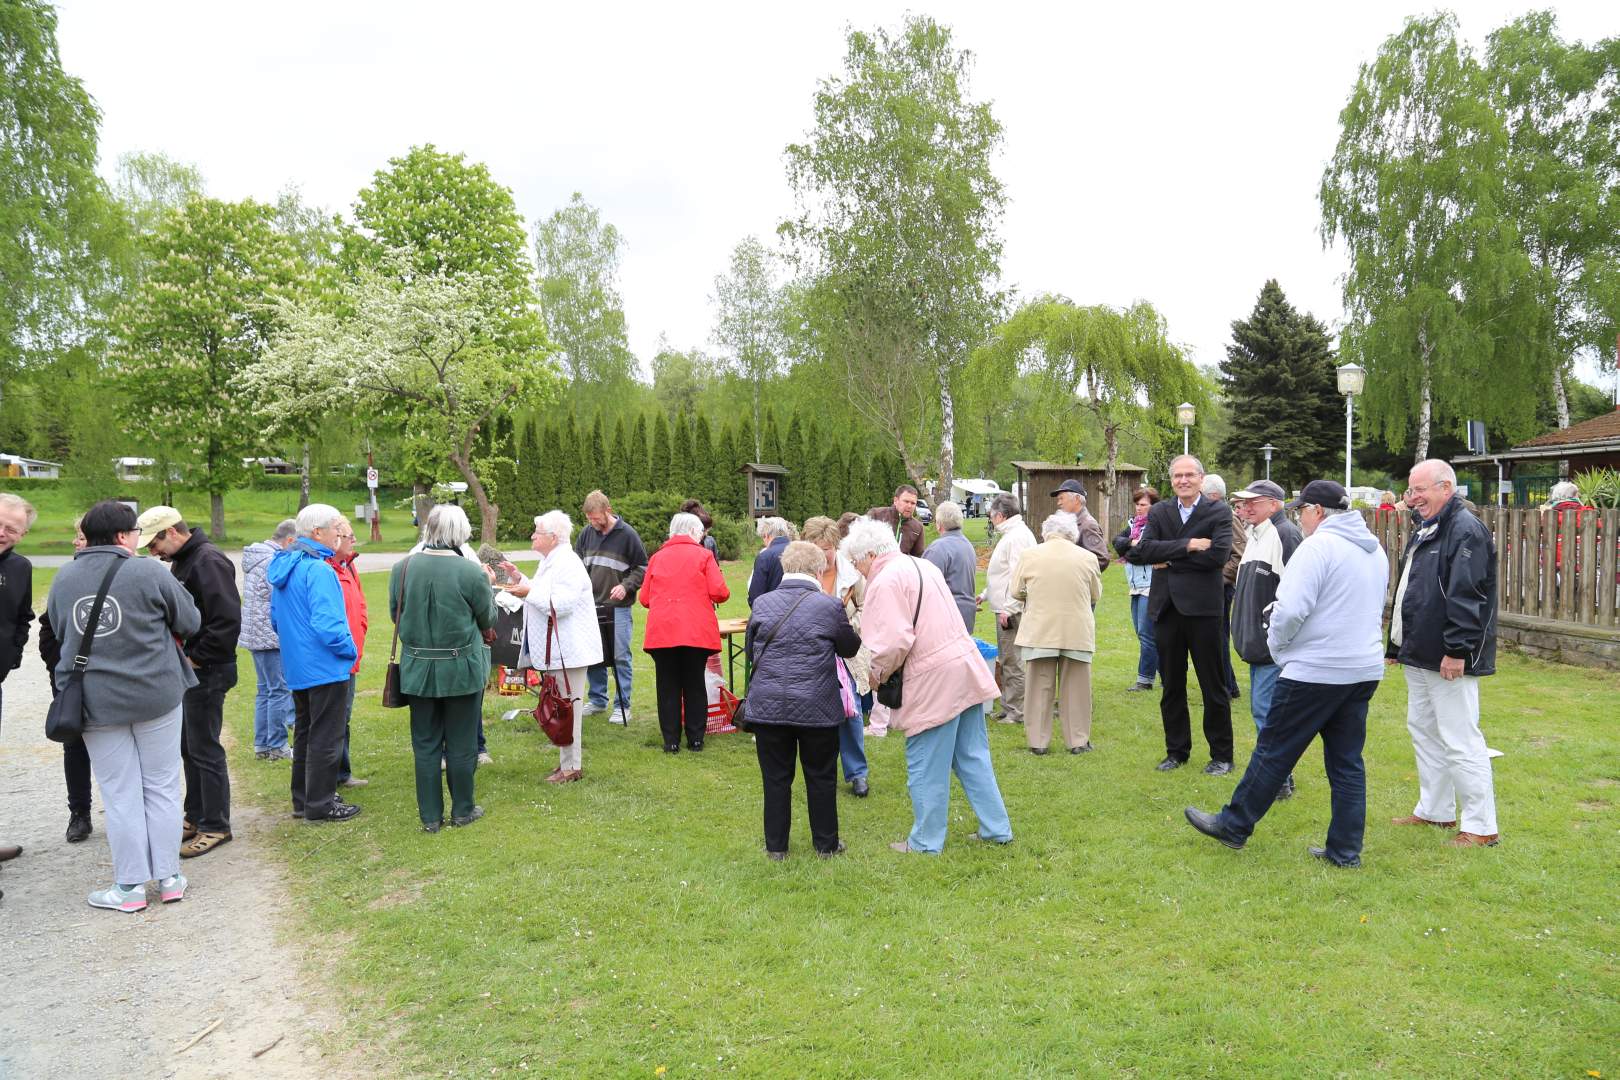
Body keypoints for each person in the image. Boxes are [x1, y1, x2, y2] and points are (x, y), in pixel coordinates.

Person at [1183, 480, 1388, 867]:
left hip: (1317, 669)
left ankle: (1234, 824)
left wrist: (1278, 648)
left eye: (1303, 510)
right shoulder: (1374, 549)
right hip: (1361, 668)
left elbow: (1290, 609)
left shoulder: (1317, 547)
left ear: (1319, 512)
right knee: (1347, 762)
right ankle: (1345, 851)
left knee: (1274, 750)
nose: (1300, 517)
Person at [47, 500, 201, 912]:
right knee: (163, 784)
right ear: (121, 537)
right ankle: (169, 877)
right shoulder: (148, 571)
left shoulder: (64, 578)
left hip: (96, 702)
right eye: (134, 532)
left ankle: (130, 886)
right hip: (157, 694)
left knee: (120, 791)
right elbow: (189, 620)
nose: (138, 539)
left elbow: (62, 631)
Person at [846, 517, 1012, 854]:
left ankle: (925, 841)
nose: (857, 570)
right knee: (972, 755)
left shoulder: (884, 580)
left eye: (855, 561)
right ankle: (996, 828)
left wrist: (872, 676)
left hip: (933, 677)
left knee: (925, 762)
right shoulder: (922, 566)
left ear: (868, 555)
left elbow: (893, 642)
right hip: (963, 667)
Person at [1388, 458, 1501, 848]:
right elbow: (1410, 589)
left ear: (1445, 488)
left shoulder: (1464, 529)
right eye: (1410, 489)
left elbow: (1467, 596)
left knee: (1460, 737)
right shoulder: (1426, 527)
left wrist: (1456, 650)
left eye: (1420, 489)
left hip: (1448, 656)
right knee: (1423, 731)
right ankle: (1435, 810)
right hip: (1418, 652)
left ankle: (1481, 825)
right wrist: (1395, 644)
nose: (1413, 497)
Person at [744, 541, 861, 859]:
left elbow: (752, 648)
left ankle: (776, 847)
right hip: (817, 705)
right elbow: (850, 647)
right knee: (821, 775)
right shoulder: (829, 606)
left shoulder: (763, 604)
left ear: (785, 567)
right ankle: (826, 845)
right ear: (819, 569)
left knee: (775, 778)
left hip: (769, 704)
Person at [138, 506, 242, 859]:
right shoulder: (187, 559)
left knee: (205, 748)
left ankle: (216, 824)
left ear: (171, 532)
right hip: (195, 668)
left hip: (208, 669)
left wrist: (194, 658)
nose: (152, 553)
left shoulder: (207, 560)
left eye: (153, 544)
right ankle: (196, 814)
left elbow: (226, 622)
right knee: (189, 746)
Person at [1122, 455, 1235, 775]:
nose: (1183, 480)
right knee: (1172, 685)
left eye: (1189, 475)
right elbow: (1142, 552)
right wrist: (1189, 545)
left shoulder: (1218, 511)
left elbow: (1217, 557)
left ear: (1201, 478)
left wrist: (1168, 557)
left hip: (1203, 611)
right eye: (1177, 476)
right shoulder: (1160, 511)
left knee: (1213, 685)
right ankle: (1177, 751)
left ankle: (1222, 755)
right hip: (1167, 609)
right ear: (1171, 480)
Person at [389, 505, 496, 830]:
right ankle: (462, 810)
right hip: (461, 668)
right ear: (460, 533)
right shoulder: (471, 572)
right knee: (462, 743)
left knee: (425, 743)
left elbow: (397, 615)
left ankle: (430, 818)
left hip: (418, 668)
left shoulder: (402, 568)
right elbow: (488, 619)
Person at [268, 504, 362, 824]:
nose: (340, 533)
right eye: (335, 527)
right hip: (324, 666)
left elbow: (276, 620)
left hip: (298, 665)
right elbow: (328, 624)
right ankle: (320, 805)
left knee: (306, 734)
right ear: (317, 533)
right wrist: (348, 650)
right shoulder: (318, 569)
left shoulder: (288, 564)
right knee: (325, 737)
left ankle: (304, 799)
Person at [507, 510, 601, 783]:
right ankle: (566, 764)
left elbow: (561, 604)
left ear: (553, 537)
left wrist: (528, 592)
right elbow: (542, 590)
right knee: (562, 707)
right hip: (559, 650)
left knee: (568, 709)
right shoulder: (552, 561)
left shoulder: (567, 563)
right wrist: (519, 579)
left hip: (569, 650)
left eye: (537, 531)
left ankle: (572, 766)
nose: (532, 535)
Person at [1227, 479, 1304, 796]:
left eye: (1251, 502)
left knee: (1266, 711)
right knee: (1265, 711)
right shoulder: (1255, 535)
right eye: (1241, 503)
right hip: (1259, 646)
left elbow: (1297, 594)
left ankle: (1277, 781)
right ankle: (1279, 776)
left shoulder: (1284, 535)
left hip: (1273, 648)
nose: (1243, 508)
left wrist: (1273, 635)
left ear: (1274, 504)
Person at [1010, 513, 1103, 755]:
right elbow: (1096, 594)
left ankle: (1038, 742)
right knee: (1077, 688)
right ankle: (1078, 740)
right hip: (1076, 631)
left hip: (1040, 629)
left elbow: (1015, 591)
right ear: (1074, 534)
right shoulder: (1088, 558)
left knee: (1039, 687)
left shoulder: (1030, 556)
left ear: (1045, 532)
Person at [640, 512, 730, 753]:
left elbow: (644, 598)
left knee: (667, 686)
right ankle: (696, 738)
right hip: (695, 630)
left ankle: (671, 740)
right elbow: (721, 592)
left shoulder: (657, 558)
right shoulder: (703, 556)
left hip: (663, 630)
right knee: (694, 684)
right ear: (694, 532)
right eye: (701, 533)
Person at [802, 516, 869, 796]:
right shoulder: (800, 572)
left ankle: (857, 773)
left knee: (850, 710)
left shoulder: (853, 574)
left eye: (827, 548)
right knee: (812, 714)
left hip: (845, 653)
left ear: (835, 546)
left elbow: (868, 608)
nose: (823, 554)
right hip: (810, 653)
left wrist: (850, 627)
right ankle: (819, 770)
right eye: (816, 548)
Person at [38, 517, 95, 842]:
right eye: (76, 537)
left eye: (81, 537)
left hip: (109, 679)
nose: (76, 543)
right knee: (73, 742)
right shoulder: (66, 577)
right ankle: (79, 813)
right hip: (69, 678)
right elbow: (48, 627)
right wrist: (58, 666)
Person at [575, 490, 647, 726]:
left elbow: (642, 568)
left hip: (618, 607)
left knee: (620, 656)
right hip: (590, 606)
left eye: (596, 518)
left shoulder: (628, 535)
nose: (593, 523)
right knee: (594, 655)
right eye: (589, 519)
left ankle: (622, 705)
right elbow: (576, 566)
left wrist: (626, 586)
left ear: (608, 510)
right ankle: (597, 700)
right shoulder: (586, 534)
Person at [0, 493, 35, 884]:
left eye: (12, 529)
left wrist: (10, 658)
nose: (3, 533)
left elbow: (23, 617)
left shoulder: (20, 568)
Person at [242, 519, 298, 760]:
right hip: (269, 635)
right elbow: (281, 596)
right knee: (278, 690)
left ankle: (262, 745)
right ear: (289, 540)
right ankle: (277, 745)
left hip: (255, 634)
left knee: (265, 690)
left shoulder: (257, 556)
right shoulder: (272, 561)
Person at [980, 493, 1036, 725]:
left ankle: (1017, 711)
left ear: (1001, 516)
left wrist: (1010, 608)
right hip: (1003, 605)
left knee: (1013, 660)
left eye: (992, 516)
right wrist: (985, 595)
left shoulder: (1017, 537)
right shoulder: (1013, 534)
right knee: (1006, 658)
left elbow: (1018, 575)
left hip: (1010, 609)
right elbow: (1002, 574)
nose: (991, 521)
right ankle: (1008, 706)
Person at [328, 518, 368, 789]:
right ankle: (331, 777)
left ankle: (342, 772)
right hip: (334, 656)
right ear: (335, 538)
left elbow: (360, 604)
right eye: (349, 536)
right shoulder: (325, 568)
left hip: (350, 655)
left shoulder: (349, 566)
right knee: (333, 718)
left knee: (344, 716)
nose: (354, 541)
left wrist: (362, 627)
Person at [1201, 474, 1245, 701]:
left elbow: (1239, 556)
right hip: (1209, 588)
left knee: (1218, 638)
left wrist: (1215, 578)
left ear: (1214, 495)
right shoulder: (1207, 515)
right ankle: (1229, 685)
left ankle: (1226, 687)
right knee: (1213, 638)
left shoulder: (1228, 516)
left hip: (1220, 588)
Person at [1112, 487, 1160, 692]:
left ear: (1153, 506)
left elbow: (1143, 553)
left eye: (1143, 504)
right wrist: (1132, 543)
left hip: (1151, 585)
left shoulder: (1157, 526)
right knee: (1142, 634)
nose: (1139, 508)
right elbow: (1117, 542)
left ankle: (1145, 680)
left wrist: (1130, 550)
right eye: (1137, 504)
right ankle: (1166, 674)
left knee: (1146, 634)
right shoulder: (1133, 525)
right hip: (1135, 586)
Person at [923, 500, 977, 633]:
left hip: (947, 615)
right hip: (967, 613)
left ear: (939, 524)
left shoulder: (938, 548)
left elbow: (924, 586)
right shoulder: (967, 544)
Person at [1050, 479, 1110, 570]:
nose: (1059, 503)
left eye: (1061, 498)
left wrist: (1074, 572)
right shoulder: (1070, 523)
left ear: (1077, 499)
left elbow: (1102, 559)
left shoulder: (1088, 525)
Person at [867, 484, 928, 558]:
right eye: (906, 501)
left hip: (900, 568)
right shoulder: (876, 515)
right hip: (874, 567)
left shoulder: (917, 527)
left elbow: (918, 557)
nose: (909, 506)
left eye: (913, 503)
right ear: (895, 501)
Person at [748, 516, 792, 605]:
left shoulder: (765, 556)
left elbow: (756, 595)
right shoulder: (802, 551)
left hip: (773, 611)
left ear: (766, 535)